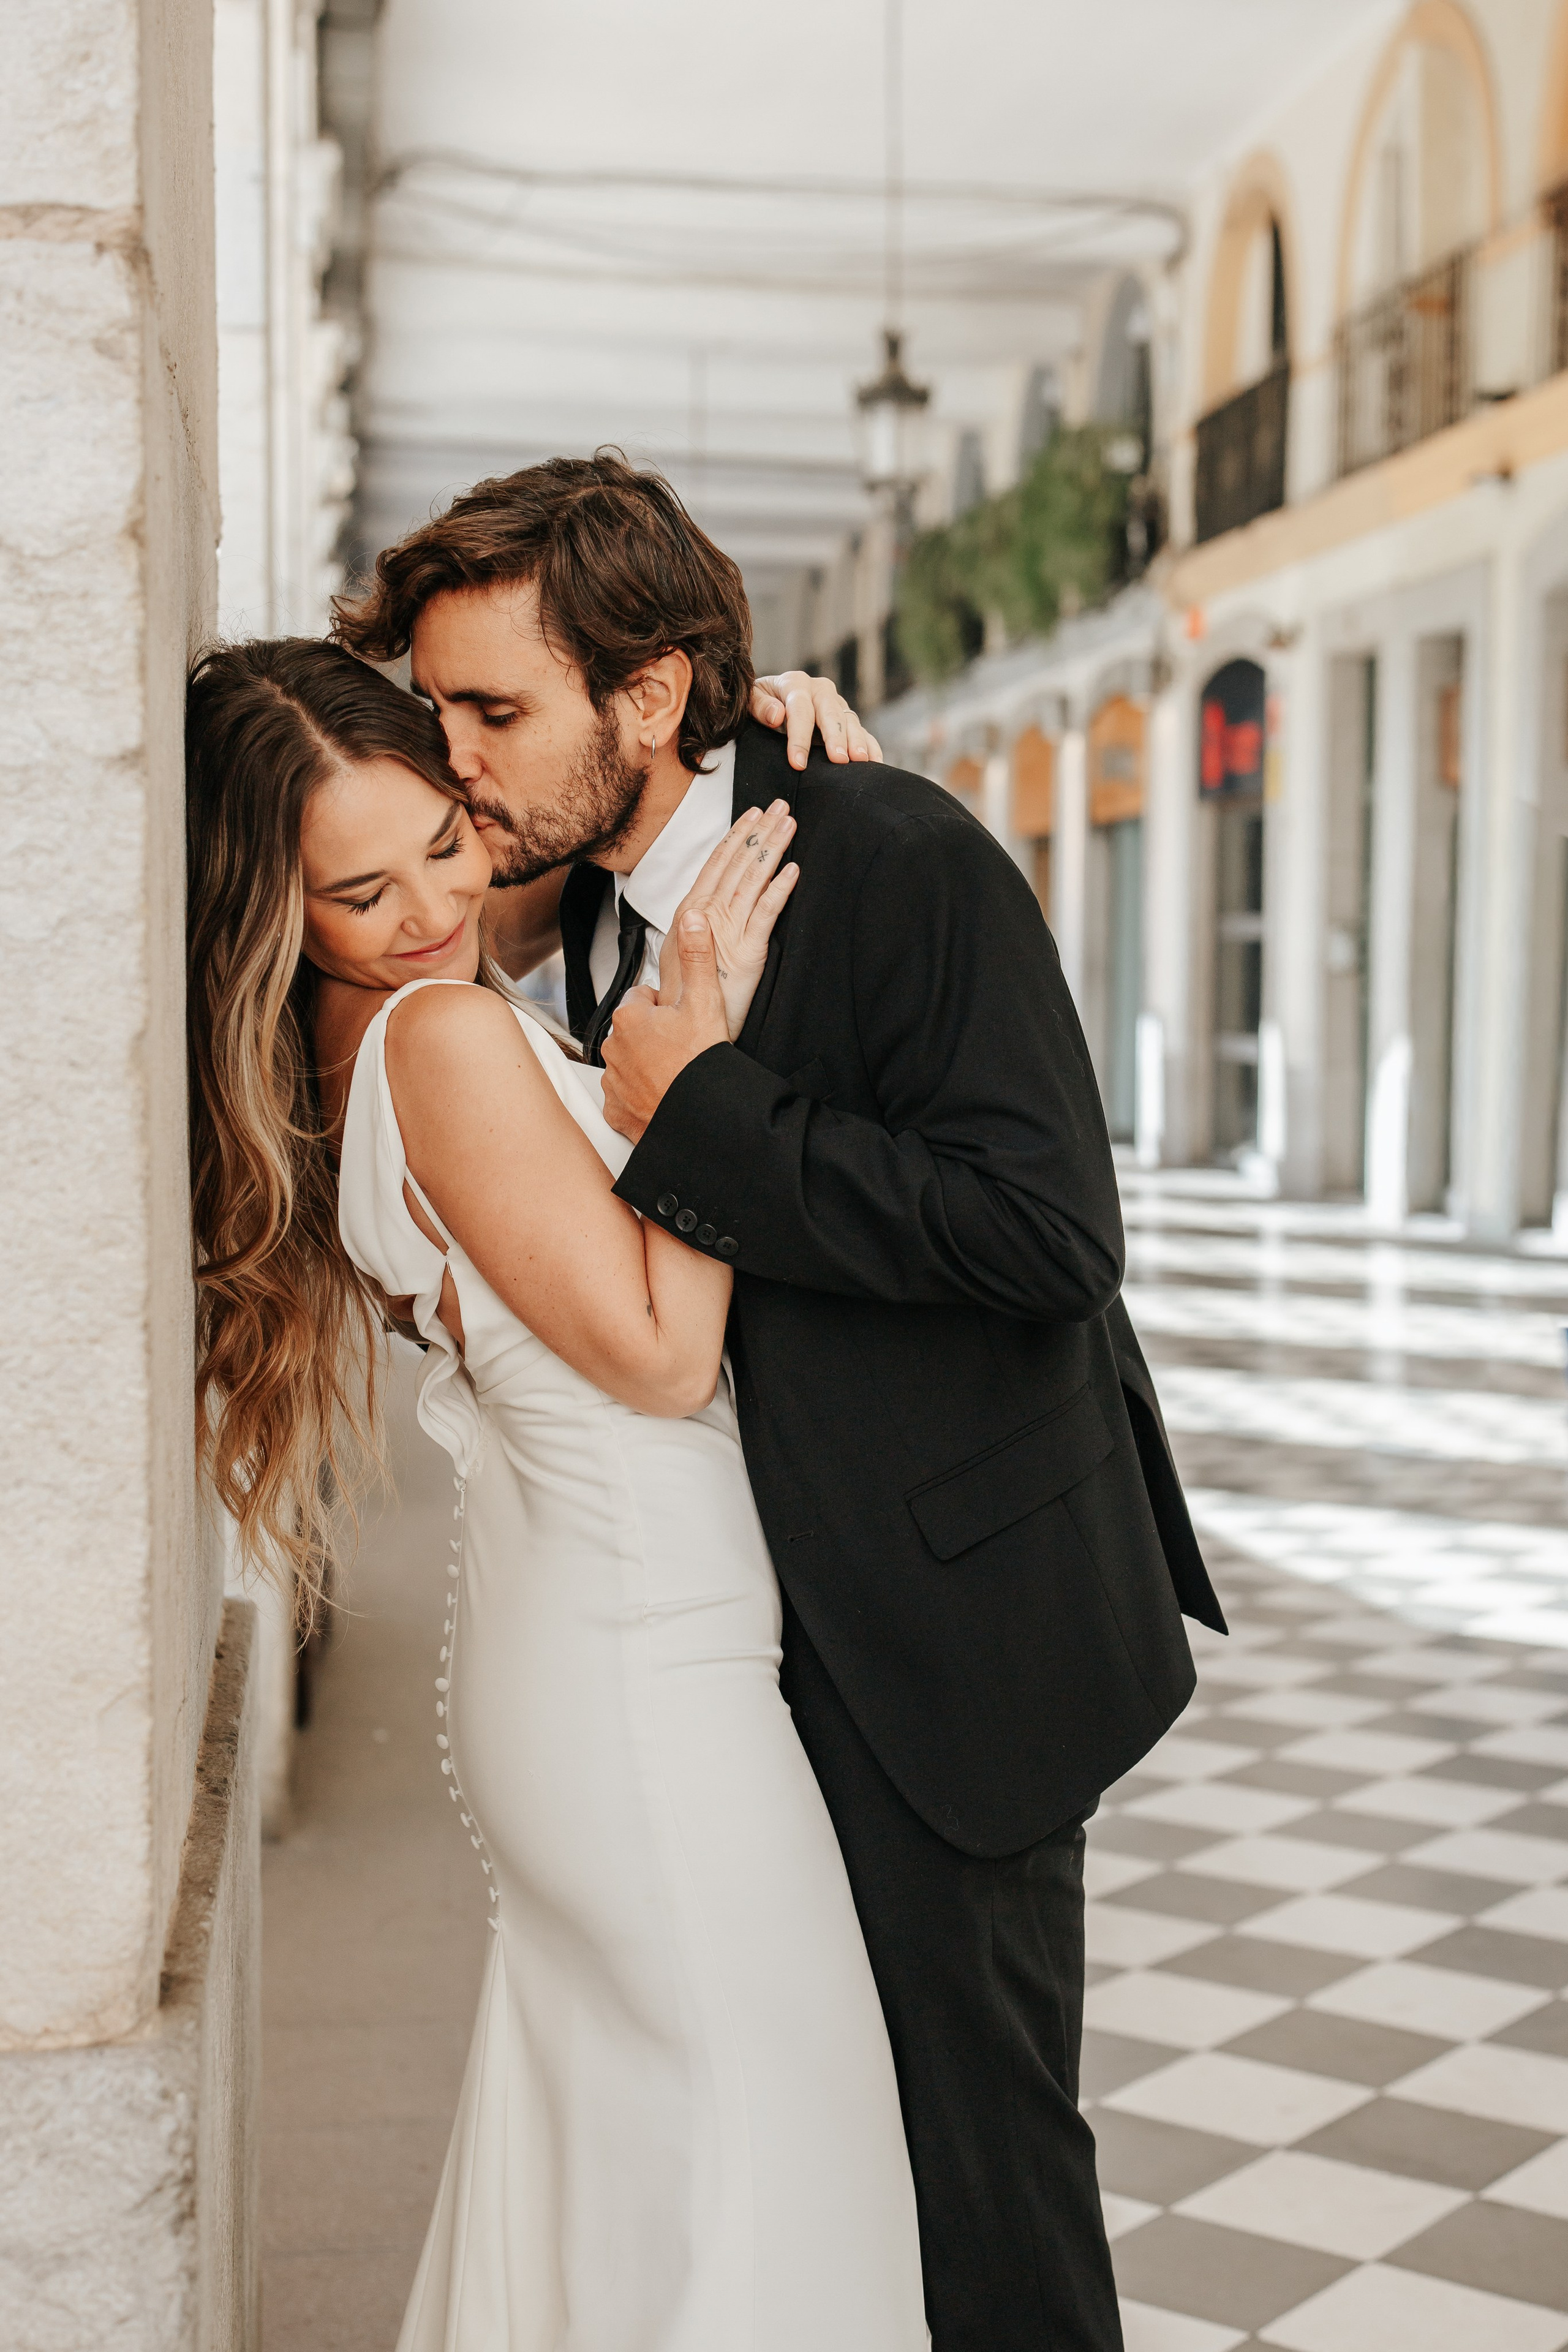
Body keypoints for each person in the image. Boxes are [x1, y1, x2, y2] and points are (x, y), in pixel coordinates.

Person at [333, 450, 1227, 2352]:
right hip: (736, 1644)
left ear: (650, 696)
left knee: (978, 2180)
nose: (456, 763)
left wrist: (709, 1114)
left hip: (944, 1635)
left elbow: (1050, 1235)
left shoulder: (890, 856)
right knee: (833, 2181)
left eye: (493, 711)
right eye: (439, 714)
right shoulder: (558, 897)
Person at [186, 639, 926, 2351]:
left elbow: (558, 837)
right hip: (641, 1683)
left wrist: (765, 744)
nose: (436, 905)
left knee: (645, 2176)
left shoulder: (377, 1026)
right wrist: (696, 1093)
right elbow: (665, 1357)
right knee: (771, 2172)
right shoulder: (437, 1041)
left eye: (446, 840)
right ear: (275, 913)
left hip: (610, 1656)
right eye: (359, 891)